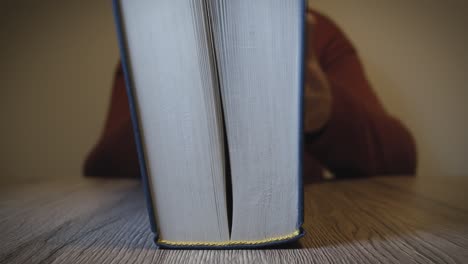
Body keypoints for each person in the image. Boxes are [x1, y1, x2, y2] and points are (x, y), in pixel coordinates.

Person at [83, 8, 417, 181]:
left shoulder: (316, 32)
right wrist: (168, 107)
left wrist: (325, 113)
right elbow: (101, 171)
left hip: (304, 229)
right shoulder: (151, 41)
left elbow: (401, 159)